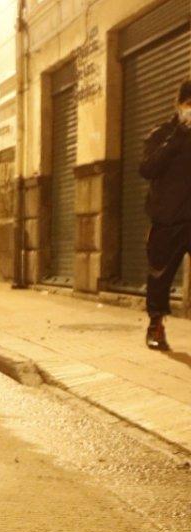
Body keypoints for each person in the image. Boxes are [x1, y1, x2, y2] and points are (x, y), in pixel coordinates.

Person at [139, 80, 191, 351]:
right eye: (189, 104)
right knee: (160, 276)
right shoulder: (162, 133)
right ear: (179, 105)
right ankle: (155, 326)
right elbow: (147, 168)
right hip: (167, 220)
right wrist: (177, 137)